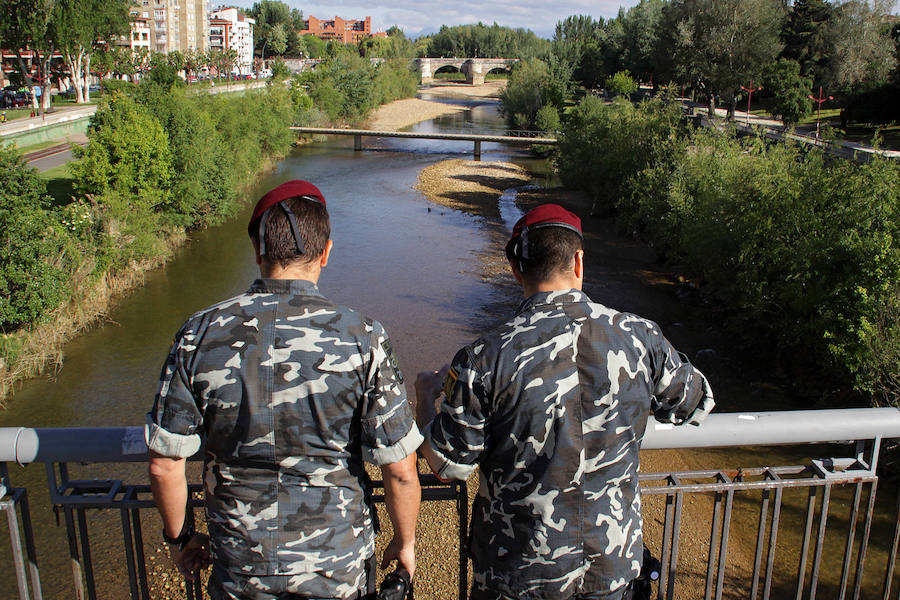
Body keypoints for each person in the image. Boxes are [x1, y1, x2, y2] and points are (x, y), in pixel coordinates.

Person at [415, 204, 714, 600]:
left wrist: (424, 398)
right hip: (612, 571)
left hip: (517, 577)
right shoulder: (641, 337)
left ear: (516, 269)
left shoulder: (485, 358)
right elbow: (696, 403)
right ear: (579, 261)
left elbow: (446, 465)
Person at [147, 180, 423, 600]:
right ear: (326, 252)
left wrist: (181, 538)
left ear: (258, 252)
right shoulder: (363, 337)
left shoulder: (198, 334)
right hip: (337, 567)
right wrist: (405, 544)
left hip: (241, 568)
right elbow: (399, 469)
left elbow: (165, 465)